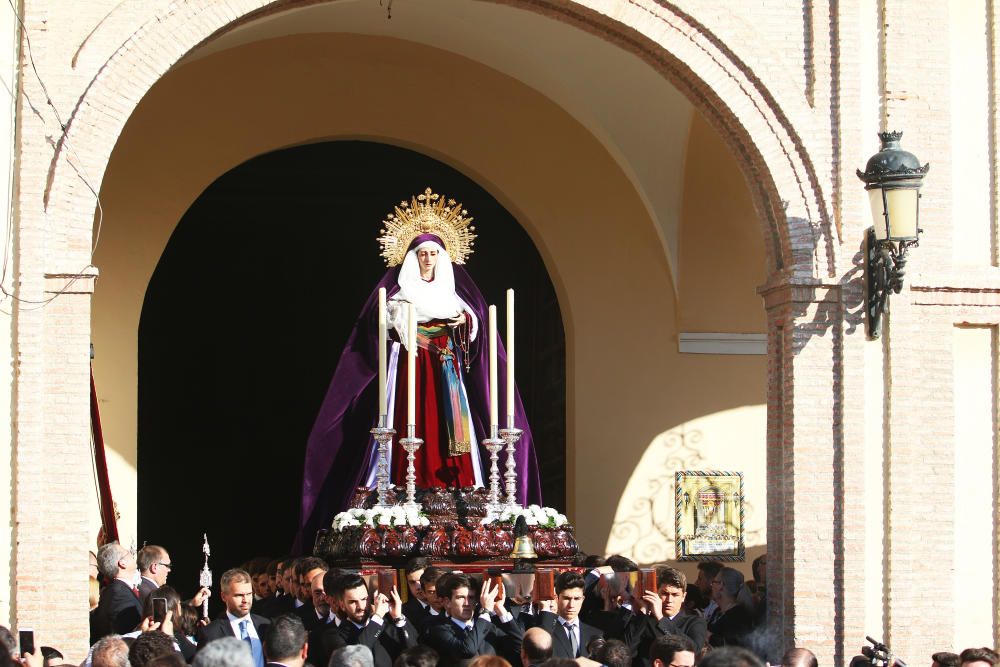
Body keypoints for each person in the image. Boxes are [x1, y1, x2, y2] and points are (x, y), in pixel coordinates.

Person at [296, 190, 542, 550]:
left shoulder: (454, 294)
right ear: (412, 258)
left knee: (450, 426)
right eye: (422, 254)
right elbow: (383, 323)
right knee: (412, 420)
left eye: (433, 254)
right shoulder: (401, 291)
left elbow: (473, 325)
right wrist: (401, 320)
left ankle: (459, 490)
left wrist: (462, 321)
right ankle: (402, 487)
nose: (428, 260)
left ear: (443, 258)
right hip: (412, 367)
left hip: (446, 368)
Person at [422, 573, 523, 667]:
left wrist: (500, 609)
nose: (467, 603)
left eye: (470, 598)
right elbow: (467, 650)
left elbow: (520, 645)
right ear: (448, 602)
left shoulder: (488, 626)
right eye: (460, 597)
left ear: (476, 601)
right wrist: (485, 611)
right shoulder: (439, 629)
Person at [335, 574, 416, 667]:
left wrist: (398, 618)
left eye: (364, 599)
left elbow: (415, 654)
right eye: (353, 602)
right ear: (342, 605)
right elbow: (356, 655)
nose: (361, 607)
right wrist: (378, 617)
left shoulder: (386, 625)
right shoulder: (336, 634)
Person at [198, 569, 271, 667]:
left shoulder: (265, 625)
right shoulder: (211, 633)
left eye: (249, 594)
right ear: (224, 596)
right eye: (239, 595)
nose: (245, 600)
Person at [534, 572, 602, 660]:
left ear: (583, 599)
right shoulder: (546, 629)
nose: (571, 605)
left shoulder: (595, 635)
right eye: (567, 598)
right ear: (556, 598)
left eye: (577, 599)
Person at [92, 542, 143, 642]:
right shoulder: (119, 595)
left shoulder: (116, 590)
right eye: (129, 553)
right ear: (122, 563)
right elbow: (126, 635)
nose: (133, 555)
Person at [706, 568, 753, 648]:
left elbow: (734, 647)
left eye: (713, 582)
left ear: (721, 585)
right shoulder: (718, 611)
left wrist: (709, 637)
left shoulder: (739, 616)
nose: (711, 586)